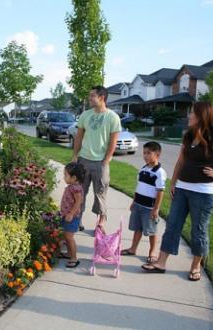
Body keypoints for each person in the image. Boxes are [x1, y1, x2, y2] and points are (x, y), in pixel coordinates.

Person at [142, 102, 213, 281]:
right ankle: (161, 262)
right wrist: (173, 183)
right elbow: (180, 162)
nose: (189, 115)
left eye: (193, 113)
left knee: (198, 229)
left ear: (202, 116)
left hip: (205, 192)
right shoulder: (188, 136)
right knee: (173, 225)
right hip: (182, 188)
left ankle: (196, 266)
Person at [71, 86, 121, 232]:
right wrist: (75, 155)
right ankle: (77, 219)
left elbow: (113, 141)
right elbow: (79, 136)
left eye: (92, 95)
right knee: (80, 192)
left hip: (101, 162)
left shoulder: (112, 117)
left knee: (100, 193)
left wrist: (106, 160)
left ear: (102, 97)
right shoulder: (85, 115)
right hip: (83, 160)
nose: (89, 98)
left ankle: (101, 222)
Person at [120, 141, 167, 264]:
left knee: (152, 231)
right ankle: (133, 248)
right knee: (137, 228)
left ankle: (152, 252)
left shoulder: (159, 172)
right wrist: (133, 201)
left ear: (157, 154)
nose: (145, 156)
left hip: (149, 207)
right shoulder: (143, 169)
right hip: (138, 204)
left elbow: (160, 192)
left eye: (149, 153)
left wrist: (156, 209)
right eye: (144, 153)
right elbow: (139, 186)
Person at [59, 162, 85, 268]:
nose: (64, 177)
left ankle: (74, 257)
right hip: (67, 216)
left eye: (65, 175)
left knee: (69, 237)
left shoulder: (76, 188)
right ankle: (69, 254)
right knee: (66, 236)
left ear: (74, 177)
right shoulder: (72, 186)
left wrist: (70, 213)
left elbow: (79, 201)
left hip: (72, 217)